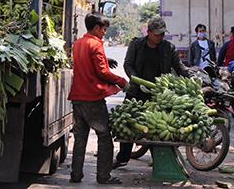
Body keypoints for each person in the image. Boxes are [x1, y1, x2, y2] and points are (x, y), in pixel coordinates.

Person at [114, 17, 190, 168]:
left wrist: (191, 77)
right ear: (148, 32)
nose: (160, 37)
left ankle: (160, 161)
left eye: (162, 34)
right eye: (157, 34)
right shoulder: (136, 45)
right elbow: (128, 65)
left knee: (159, 128)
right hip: (137, 92)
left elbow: (179, 67)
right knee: (129, 126)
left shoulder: (169, 48)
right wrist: (137, 80)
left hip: (159, 94)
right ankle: (123, 158)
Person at [68, 12, 127, 185]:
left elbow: (86, 61)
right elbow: (102, 72)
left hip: (77, 97)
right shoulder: (96, 44)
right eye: (104, 29)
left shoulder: (78, 44)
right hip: (92, 97)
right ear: (96, 28)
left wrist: (106, 59)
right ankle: (103, 176)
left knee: (80, 138)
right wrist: (122, 81)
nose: (105, 33)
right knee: (104, 136)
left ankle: (75, 175)